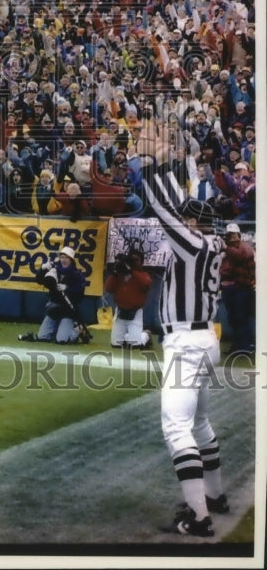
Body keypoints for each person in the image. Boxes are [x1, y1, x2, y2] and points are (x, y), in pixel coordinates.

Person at [144, 190, 229, 537]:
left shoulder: (193, 243)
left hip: (186, 342)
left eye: (186, 218)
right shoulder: (213, 244)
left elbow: (163, 210)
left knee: (176, 427)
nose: (180, 222)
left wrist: (154, 167)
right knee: (200, 422)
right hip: (206, 339)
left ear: (192, 222)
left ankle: (199, 516)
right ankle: (215, 495)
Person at [28, 246, 88, 344]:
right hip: (54, 309)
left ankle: (78, 330)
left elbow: (80, 293)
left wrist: (68, 288)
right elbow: (39, 280)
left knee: (62, 340)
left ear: (71, 260)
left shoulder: (77, 275)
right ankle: (58, 329)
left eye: (66, 258)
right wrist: (42, 269)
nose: (63, 260)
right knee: (42, 337)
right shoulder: (54, 270)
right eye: (62, 257)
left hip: (68, 311)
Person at [104, 246, 153, 349]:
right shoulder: (120, 274)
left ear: (141, 262)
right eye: (132, 260)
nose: (134, 262)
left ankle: (146, 335)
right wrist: (115, 273)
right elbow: (108, 288)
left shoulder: (143, 275)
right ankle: (129, 336)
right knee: (116, 344)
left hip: (135, 314)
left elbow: (146, 284)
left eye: (137, 260)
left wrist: (131, 271)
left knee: (135, 345)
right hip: (120, 312)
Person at [219, 221, 255, 354]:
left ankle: (245, 346)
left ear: (239, 235)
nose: (230, 237)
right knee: (233, 318)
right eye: (228, 235)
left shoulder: (245, 247)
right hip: (229, 288)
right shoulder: (227, 250)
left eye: (233, 235)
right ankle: (238, 345)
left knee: (241, 317)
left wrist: (225, 249)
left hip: (241, 288)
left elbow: (241, 256)